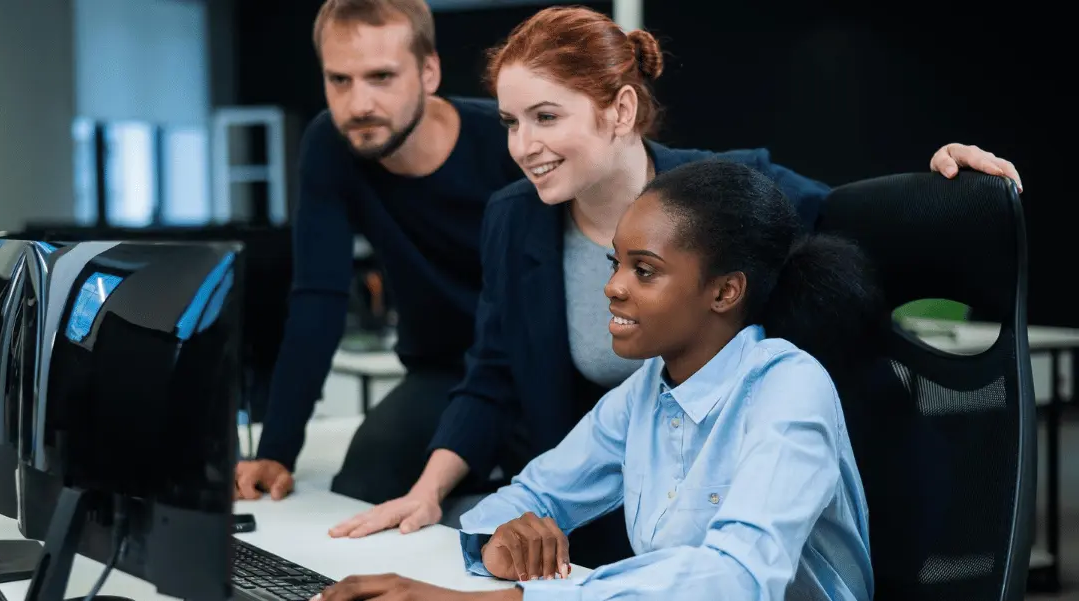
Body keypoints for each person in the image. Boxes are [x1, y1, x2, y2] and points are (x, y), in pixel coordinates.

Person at [326, 4, 1023, 569]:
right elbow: (492, 375)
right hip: (614, 502)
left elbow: (856, 219)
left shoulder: (722, 200)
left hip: (738, 512)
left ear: (621, 110)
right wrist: (429, 494)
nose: (521, 146)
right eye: (510, 122)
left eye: (545, 117)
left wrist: (943, 181)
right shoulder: (518, 224)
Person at [315, 158, 884, 601]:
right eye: (616, 262)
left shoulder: (789, 387)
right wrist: (502, 542)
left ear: (724, 291)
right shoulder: (646, 391)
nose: (613, 286)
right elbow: (531, 494)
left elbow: (738, 576)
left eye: (645, 270)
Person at [233, 0, 524, 505]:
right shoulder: (330, 143)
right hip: (442, 371)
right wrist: (278, 449)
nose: (358, 103)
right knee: (362, 491)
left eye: (381, 77)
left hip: (534, 367)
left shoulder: (508, 142)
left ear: (428, 71)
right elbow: (316, 301)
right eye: (340, 80)